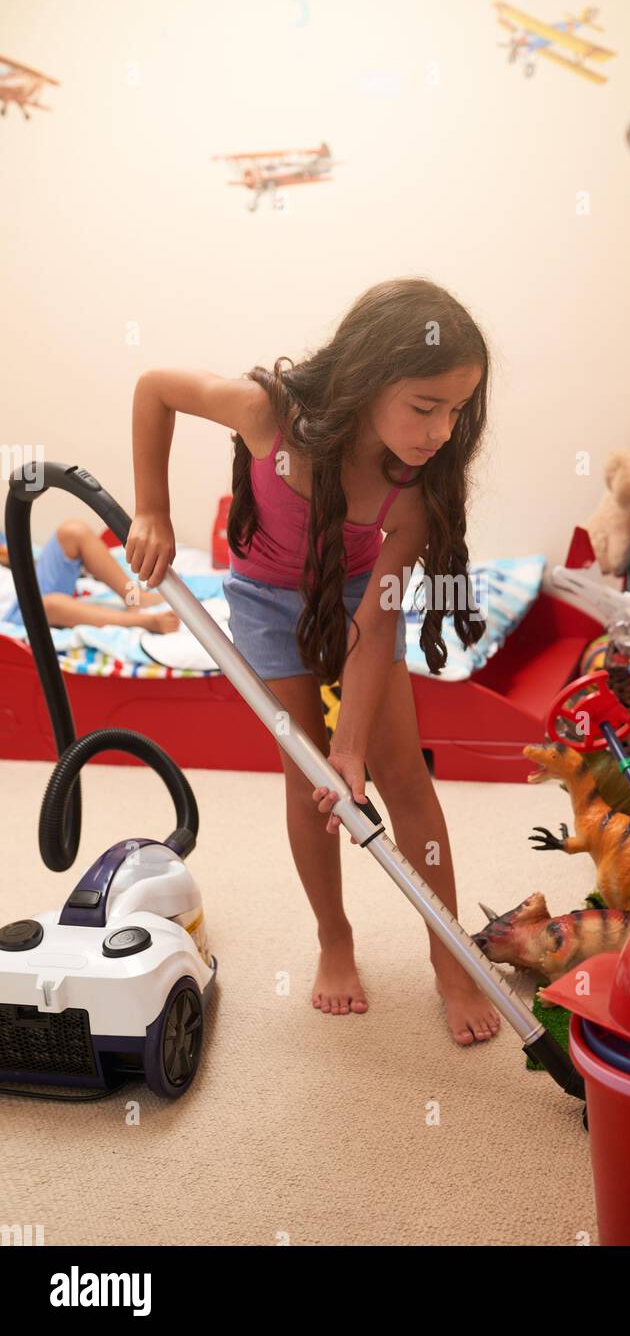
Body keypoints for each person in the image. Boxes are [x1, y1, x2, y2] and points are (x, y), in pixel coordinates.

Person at [124, 276, 500, 1047]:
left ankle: (451, 956)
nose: (441, 428)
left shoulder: (417, 486)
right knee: (310, 785)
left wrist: (352, 744)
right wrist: (151, 506)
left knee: (402, 778)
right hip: (265, 598)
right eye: (424, 406)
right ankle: (334, 938)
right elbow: (155, 387)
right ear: (365, 383)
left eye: (457, 408)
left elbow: (375, 614)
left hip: (359, 594)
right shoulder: (270, 413)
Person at [0, 519, 179, 632]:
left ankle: (135, 598)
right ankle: (144, 622)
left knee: (72, 531)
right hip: (12, 615)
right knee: (49, 604)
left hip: (25, 584)